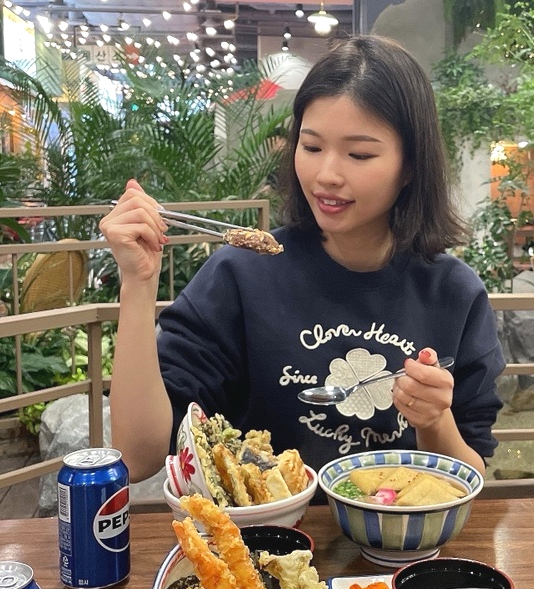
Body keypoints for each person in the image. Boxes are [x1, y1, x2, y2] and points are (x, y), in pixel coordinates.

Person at [100, 36, 505, 500]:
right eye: (311, 147)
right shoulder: (242, 275)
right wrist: (138, 284)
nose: (326, 175)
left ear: (410, 165)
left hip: (399, 541)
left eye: (359, 155)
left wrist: (434, 420)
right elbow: (139, 457)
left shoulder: (453, 294)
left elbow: (470, 474)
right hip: (263, 540)